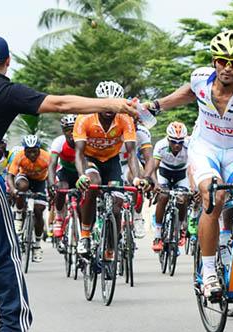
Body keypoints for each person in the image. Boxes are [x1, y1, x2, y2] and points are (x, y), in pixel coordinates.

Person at [0, 35, 136, 332]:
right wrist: (109, 103)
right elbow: (59, 102)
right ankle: (12, 326)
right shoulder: (6, 90)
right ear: (7, 63)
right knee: (3, 251)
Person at [143, 30, 233, 299]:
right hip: (205, 149)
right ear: (214, 61)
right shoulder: (200, 78)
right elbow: (188, 93)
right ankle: (209, 270)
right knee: (215, 195)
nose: (228, 67)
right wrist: (156, 105)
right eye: (222, 60)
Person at [74, 81, 149, 257]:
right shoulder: (84, 118)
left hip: (111, 161)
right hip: (90, 159)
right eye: (104, 102)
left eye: (113, 103)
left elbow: (131, 153)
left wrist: (137, 177)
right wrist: (81, 175)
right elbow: (79, 152)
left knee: (116, 207)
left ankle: (110, 249)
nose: (109, 108)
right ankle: (85, 235)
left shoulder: (125, 119)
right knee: (93, 184)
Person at [7, 135, 50, 262]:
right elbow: (10, 176)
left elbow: (53, 173)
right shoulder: (19, 156)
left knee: (39, 211)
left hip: (40, 182)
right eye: (28, 151)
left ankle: (37, 245)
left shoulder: (46, 157)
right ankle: (19, 215)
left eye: (34, 151)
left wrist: (52, 188)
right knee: (21, 188)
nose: (31, 154)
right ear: (24, 150)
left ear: (39, 149)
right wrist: (13, 190)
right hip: (24, 177)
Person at [151, 121, 190, 251]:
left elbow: (193, 168)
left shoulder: (190, 145)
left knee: (182, 198)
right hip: (164, 173)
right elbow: (154, 167)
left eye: (180, 142)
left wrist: (194, 187)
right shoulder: (160, 145)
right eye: (173, 141)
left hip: (182, 174)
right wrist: (156, 184)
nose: (177, 145)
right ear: (168, 139)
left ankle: (179, 229)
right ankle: (157, 235)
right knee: (163, 196)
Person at [119, 119, 155, 238]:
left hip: (130, 164)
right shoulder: (114, 127)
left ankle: (138, 217)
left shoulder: (142, 133)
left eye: (134, 122)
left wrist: (147, 178)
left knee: (138, 180)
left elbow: (149, 158)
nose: (130, 125)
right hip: (111, 163)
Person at [48, 114, 78, 238]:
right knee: (61, 187)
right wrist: (51, 182)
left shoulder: (85, 140)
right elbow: (52, 165)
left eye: (74, 129)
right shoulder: (59, 142)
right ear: (63, 131)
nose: (71, 133)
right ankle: (59, 217)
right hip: (65, 172)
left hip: (80, 173)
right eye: (67, 130)